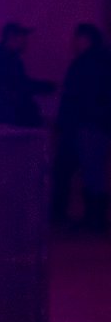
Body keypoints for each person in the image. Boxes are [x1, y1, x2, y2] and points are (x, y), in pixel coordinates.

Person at [53, 23, 111, 233]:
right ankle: (95, 219)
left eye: (78, 38)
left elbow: (77, 97)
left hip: (86, 124)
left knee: (89, 171)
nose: (74, 42)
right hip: (95, 124)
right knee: (93, 171)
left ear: (86, 39)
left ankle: (94, 221)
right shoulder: (100, 62)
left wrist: (66, 122)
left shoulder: (85, 64)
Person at [0, 22, 54, 127]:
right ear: (12, 37)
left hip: (3, 118)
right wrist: (48, 87)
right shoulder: (7, 60)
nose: (25, 41)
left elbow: (18, 85)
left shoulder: (4, 57)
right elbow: (20, 86)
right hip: (8, 119)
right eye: (22, 37)